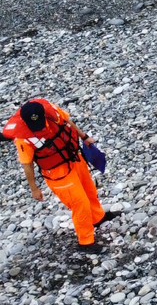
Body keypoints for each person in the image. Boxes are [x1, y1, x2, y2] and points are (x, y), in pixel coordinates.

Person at [5, 99, 111, 251]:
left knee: (90, 191)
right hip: (57, 173)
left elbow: (68, 122)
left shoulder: (53, 113)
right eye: (35, 125)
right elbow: (27, 164)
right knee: (79, 203)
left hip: (75, 158)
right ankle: (86, 241)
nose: (40, 127)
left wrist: (84, 137)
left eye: (40, 122)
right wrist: (34, 189)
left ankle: (98, 218)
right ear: (26, 122)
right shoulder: (23, 139)